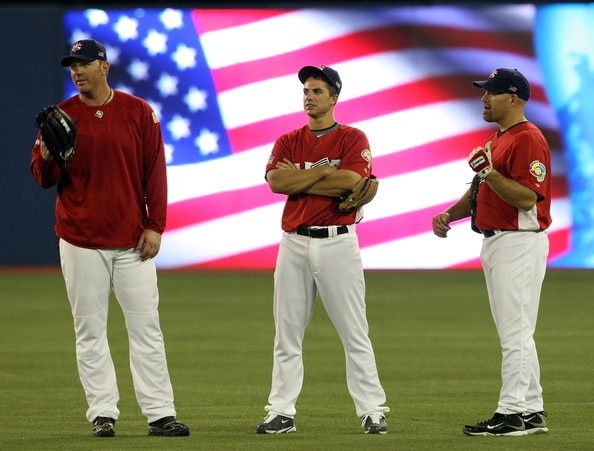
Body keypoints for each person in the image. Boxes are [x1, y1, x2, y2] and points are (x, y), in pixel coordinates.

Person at [30, 39, 189, 438]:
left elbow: (155, 171)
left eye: (84, 63)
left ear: (104, 66)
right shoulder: (61, 116)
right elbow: (42, 177)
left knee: (146, 327)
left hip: (132, 240)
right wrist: (47, 156)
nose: (77, 71)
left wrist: (157, 225)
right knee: (89, 330)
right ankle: (103, 413)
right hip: (80, 239)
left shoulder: (138, 112)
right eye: (72, 65)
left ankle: (160, 414)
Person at [256, 65, 389, 435]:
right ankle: (280, 411)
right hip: (294, 242)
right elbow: (277, 182)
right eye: (306, 90)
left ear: (334, 97)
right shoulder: (288, 139)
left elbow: (352, 180)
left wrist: (303, 177)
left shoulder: (352, 137)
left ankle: (372, 410)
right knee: (287, 333)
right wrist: (323, 173)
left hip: (338, 242)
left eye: (317, 90)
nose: (309, 96)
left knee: (354, 331)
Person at [432, 68, 551, 437]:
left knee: (514, 332)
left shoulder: (527, 138)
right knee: (516, 331)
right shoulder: (499, 139)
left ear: (513, 98)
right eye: (484, 92)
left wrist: (488, 173)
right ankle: (531, 410)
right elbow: (481, 193)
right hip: (499, 240)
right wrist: (450, 214)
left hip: (519, 241)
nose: (484, 98)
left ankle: (511, 413)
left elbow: (527, 197)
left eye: (491, 93)